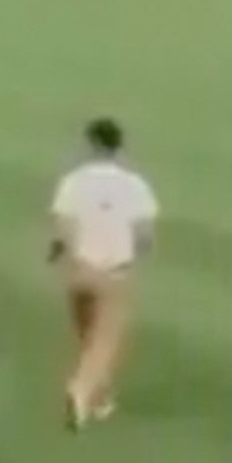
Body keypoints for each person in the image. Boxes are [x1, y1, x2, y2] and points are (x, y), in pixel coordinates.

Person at [49, 116, 158, 429]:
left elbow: (63, 228)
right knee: (105, 342)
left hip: (80, 271)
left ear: (90, 144)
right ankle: (80, 391)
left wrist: (64, 254)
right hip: (114, 273)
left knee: (87, 336)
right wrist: (132, 256)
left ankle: (101, 397)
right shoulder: (135, 184)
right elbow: (145, 234)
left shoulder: (74, 181)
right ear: (118, 146)